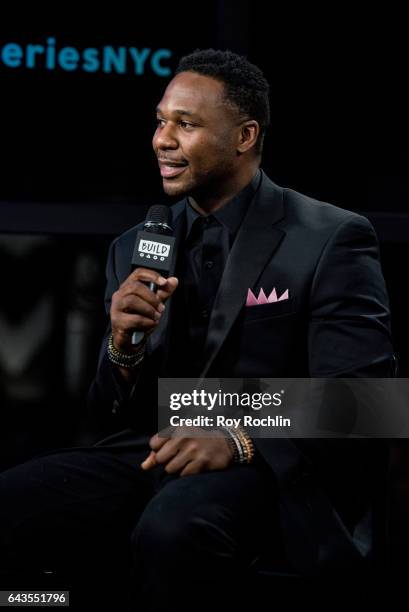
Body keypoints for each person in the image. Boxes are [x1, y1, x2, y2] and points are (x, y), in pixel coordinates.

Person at [0, 49, 394, 610]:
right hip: (151, 453)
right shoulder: (134, 247)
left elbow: (367, 402)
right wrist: (123, 345)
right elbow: (107, 417)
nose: (162, 139)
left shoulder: (330, 236)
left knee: (172, 531)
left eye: (185, 125)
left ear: (244, 136)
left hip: (274, 468)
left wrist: (236, 437)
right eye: (161, 121)